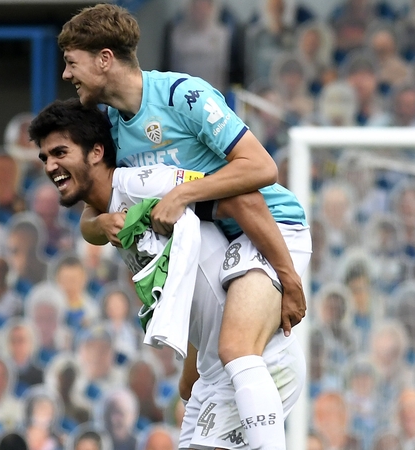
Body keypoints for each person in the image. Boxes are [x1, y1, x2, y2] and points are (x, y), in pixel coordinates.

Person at [59, 6, 310, 449]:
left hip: (271, 230)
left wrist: (288, 278)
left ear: (103, 59)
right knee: (193, 386)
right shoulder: (113, 129)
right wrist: (103, 222)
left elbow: (262, 167)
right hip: (219, 247)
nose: (65, 74)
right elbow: (90, 225)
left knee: (236, 348)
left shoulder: (183, 95)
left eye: (71, 61)